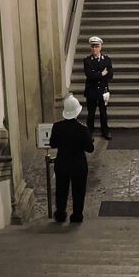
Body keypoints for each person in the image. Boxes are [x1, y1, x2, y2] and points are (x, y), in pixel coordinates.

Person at [49, 94, 94, 223]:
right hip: (78, 165)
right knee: (78, 192)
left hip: (62, 163)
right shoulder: (83, 129)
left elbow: (53, 143)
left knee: (61, 190)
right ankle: (77, 215)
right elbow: (90, 149)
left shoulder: (57, 127)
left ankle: (60, 213)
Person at [83, 36, 113, 140]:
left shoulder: (107, 60)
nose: (94, 49)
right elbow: (89, 75)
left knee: (103, 113)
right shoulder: (87, 60)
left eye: (96, 46)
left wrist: (96, 74)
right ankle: (89, 132)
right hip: (91, 90)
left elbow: (110, 75)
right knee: (91, 113)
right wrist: (101, 73)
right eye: (92, 46)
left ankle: (105, 130)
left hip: (103, 91)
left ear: (101, 47)